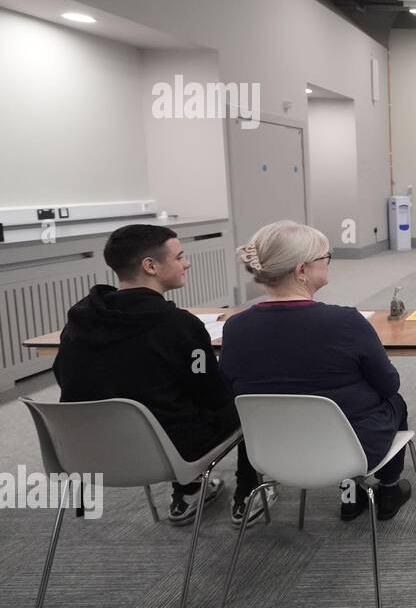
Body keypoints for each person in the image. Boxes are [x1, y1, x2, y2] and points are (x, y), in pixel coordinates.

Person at [52, 224, 271, 526]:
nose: (187, 263)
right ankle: (247, 493)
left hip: (84, 451)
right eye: (180, 256)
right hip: (167, 450)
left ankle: (190, 491)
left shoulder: (79, 318)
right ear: (150, 266)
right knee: (248, 397)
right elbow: (212, 395)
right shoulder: (179, 325)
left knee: (160, 398)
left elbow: (64, 376)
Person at [219, 221, 413, 522]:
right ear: (301, 271)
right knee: (395, 402)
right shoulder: (346, 322)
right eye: (326, 258)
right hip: (351, 449)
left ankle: (352, 495)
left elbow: (229, 388)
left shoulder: (235, 327)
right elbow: (389, 384)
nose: (329, 264)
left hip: (272, 449)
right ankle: (386, 488)